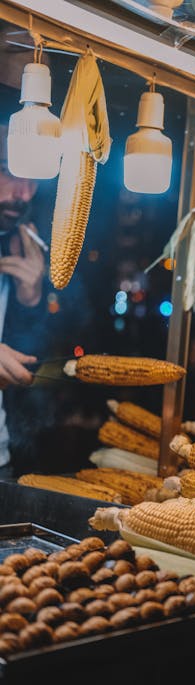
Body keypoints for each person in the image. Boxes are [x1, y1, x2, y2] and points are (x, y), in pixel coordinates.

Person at [0, 122, 45, 477]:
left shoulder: (13, 240)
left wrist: (29, 300)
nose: (24, 193)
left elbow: (22, 354)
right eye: (11, 173)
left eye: (32, 179)